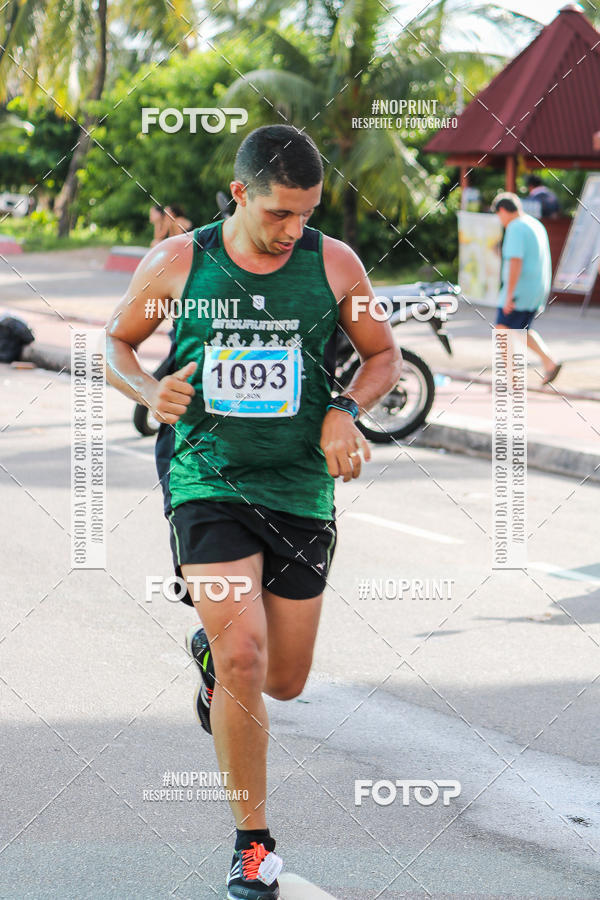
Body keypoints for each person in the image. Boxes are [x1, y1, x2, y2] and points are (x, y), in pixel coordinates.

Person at [106, 124, 402, 899]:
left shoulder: (335, 263)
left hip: (301, 486)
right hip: (208, 478)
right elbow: (116, 342)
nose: (292, 229)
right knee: (244, 654)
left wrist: (346, 407)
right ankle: (252, 847)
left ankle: (215, 666)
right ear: (240, 194)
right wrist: (147, 391)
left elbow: (384, 355)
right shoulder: (178, 261)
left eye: (305, 213)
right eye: (278, 214)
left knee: (285, 679)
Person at [492, 191, 561, 385]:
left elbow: (515, 261)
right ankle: (550, 362)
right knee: (520, 329)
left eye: (498, 215)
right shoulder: (534, 223)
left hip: (519, 290)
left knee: (502, 330)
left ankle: (510, 379)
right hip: (536, 288)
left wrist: (509, 295)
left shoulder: (515, 227)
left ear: (503, 210)